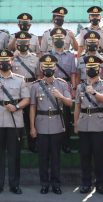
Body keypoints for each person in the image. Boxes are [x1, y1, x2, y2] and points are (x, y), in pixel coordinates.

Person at [0, 49, 30, 195]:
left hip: (14, 119)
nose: (4, 63)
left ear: (12, 62)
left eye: (7, 60)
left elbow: (26, 99)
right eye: (1, 61)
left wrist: (16, 106)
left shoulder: (20, 79)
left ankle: (14, 184)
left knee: (14, 154)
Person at [29, 54, 72, 195]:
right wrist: (32, 127)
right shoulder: (35, 85)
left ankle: (56, 184)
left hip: (56, 125)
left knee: (55, 157)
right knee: (43, 157)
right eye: (45, 67)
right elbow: (33, 107)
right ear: (41, 68)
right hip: (41, 124)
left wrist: (60, 96)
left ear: (55, 68)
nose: (48, 69)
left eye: (51, 66)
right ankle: (44, 184)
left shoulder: (62, 84)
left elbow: (70, 103)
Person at [74, 55, 103, 195]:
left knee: (99, 156)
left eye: (94, 68)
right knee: (85, 156)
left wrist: (94, 92)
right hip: (84, 123)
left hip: (99, 123)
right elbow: (77, 106)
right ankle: (85, 183)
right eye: (89, 68)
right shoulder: (80, 87)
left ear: (99, 69)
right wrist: (76, 124)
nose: (91, 70)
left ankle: (100, 184)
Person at [48, 27, 76, 153]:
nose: (58, 40)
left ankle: (66, 143)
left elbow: (73, 73)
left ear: (65, 40)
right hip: (50, 86)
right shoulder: (47, 56)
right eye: (56, 38)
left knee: (66, 117)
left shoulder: (70, 56)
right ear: (52, 40)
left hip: (65, 86)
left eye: (61, 38)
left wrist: (73, 89)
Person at [11, 31, 40, 152]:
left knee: (31, 118)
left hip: (31, 89)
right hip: (16, 91)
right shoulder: (12, 58)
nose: (22, 44)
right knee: (16, 119)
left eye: (25, 42)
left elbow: (38, 76)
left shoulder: (35, 58)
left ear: (29, 44)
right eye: (20, 42)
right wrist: (12, 57)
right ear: (17, 44)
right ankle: (16, 144)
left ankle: (32, 144)